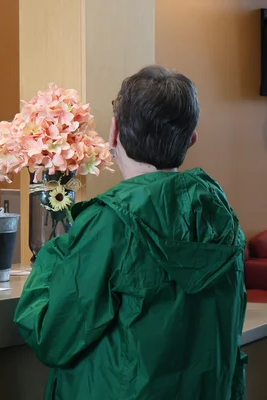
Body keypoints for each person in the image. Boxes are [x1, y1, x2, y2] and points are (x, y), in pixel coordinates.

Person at [14, 65, 247, 399]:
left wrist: (54, 253)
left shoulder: (109, 226)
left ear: (114, 132)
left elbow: (51, 336)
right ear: (192, 137)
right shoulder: (224, 223)